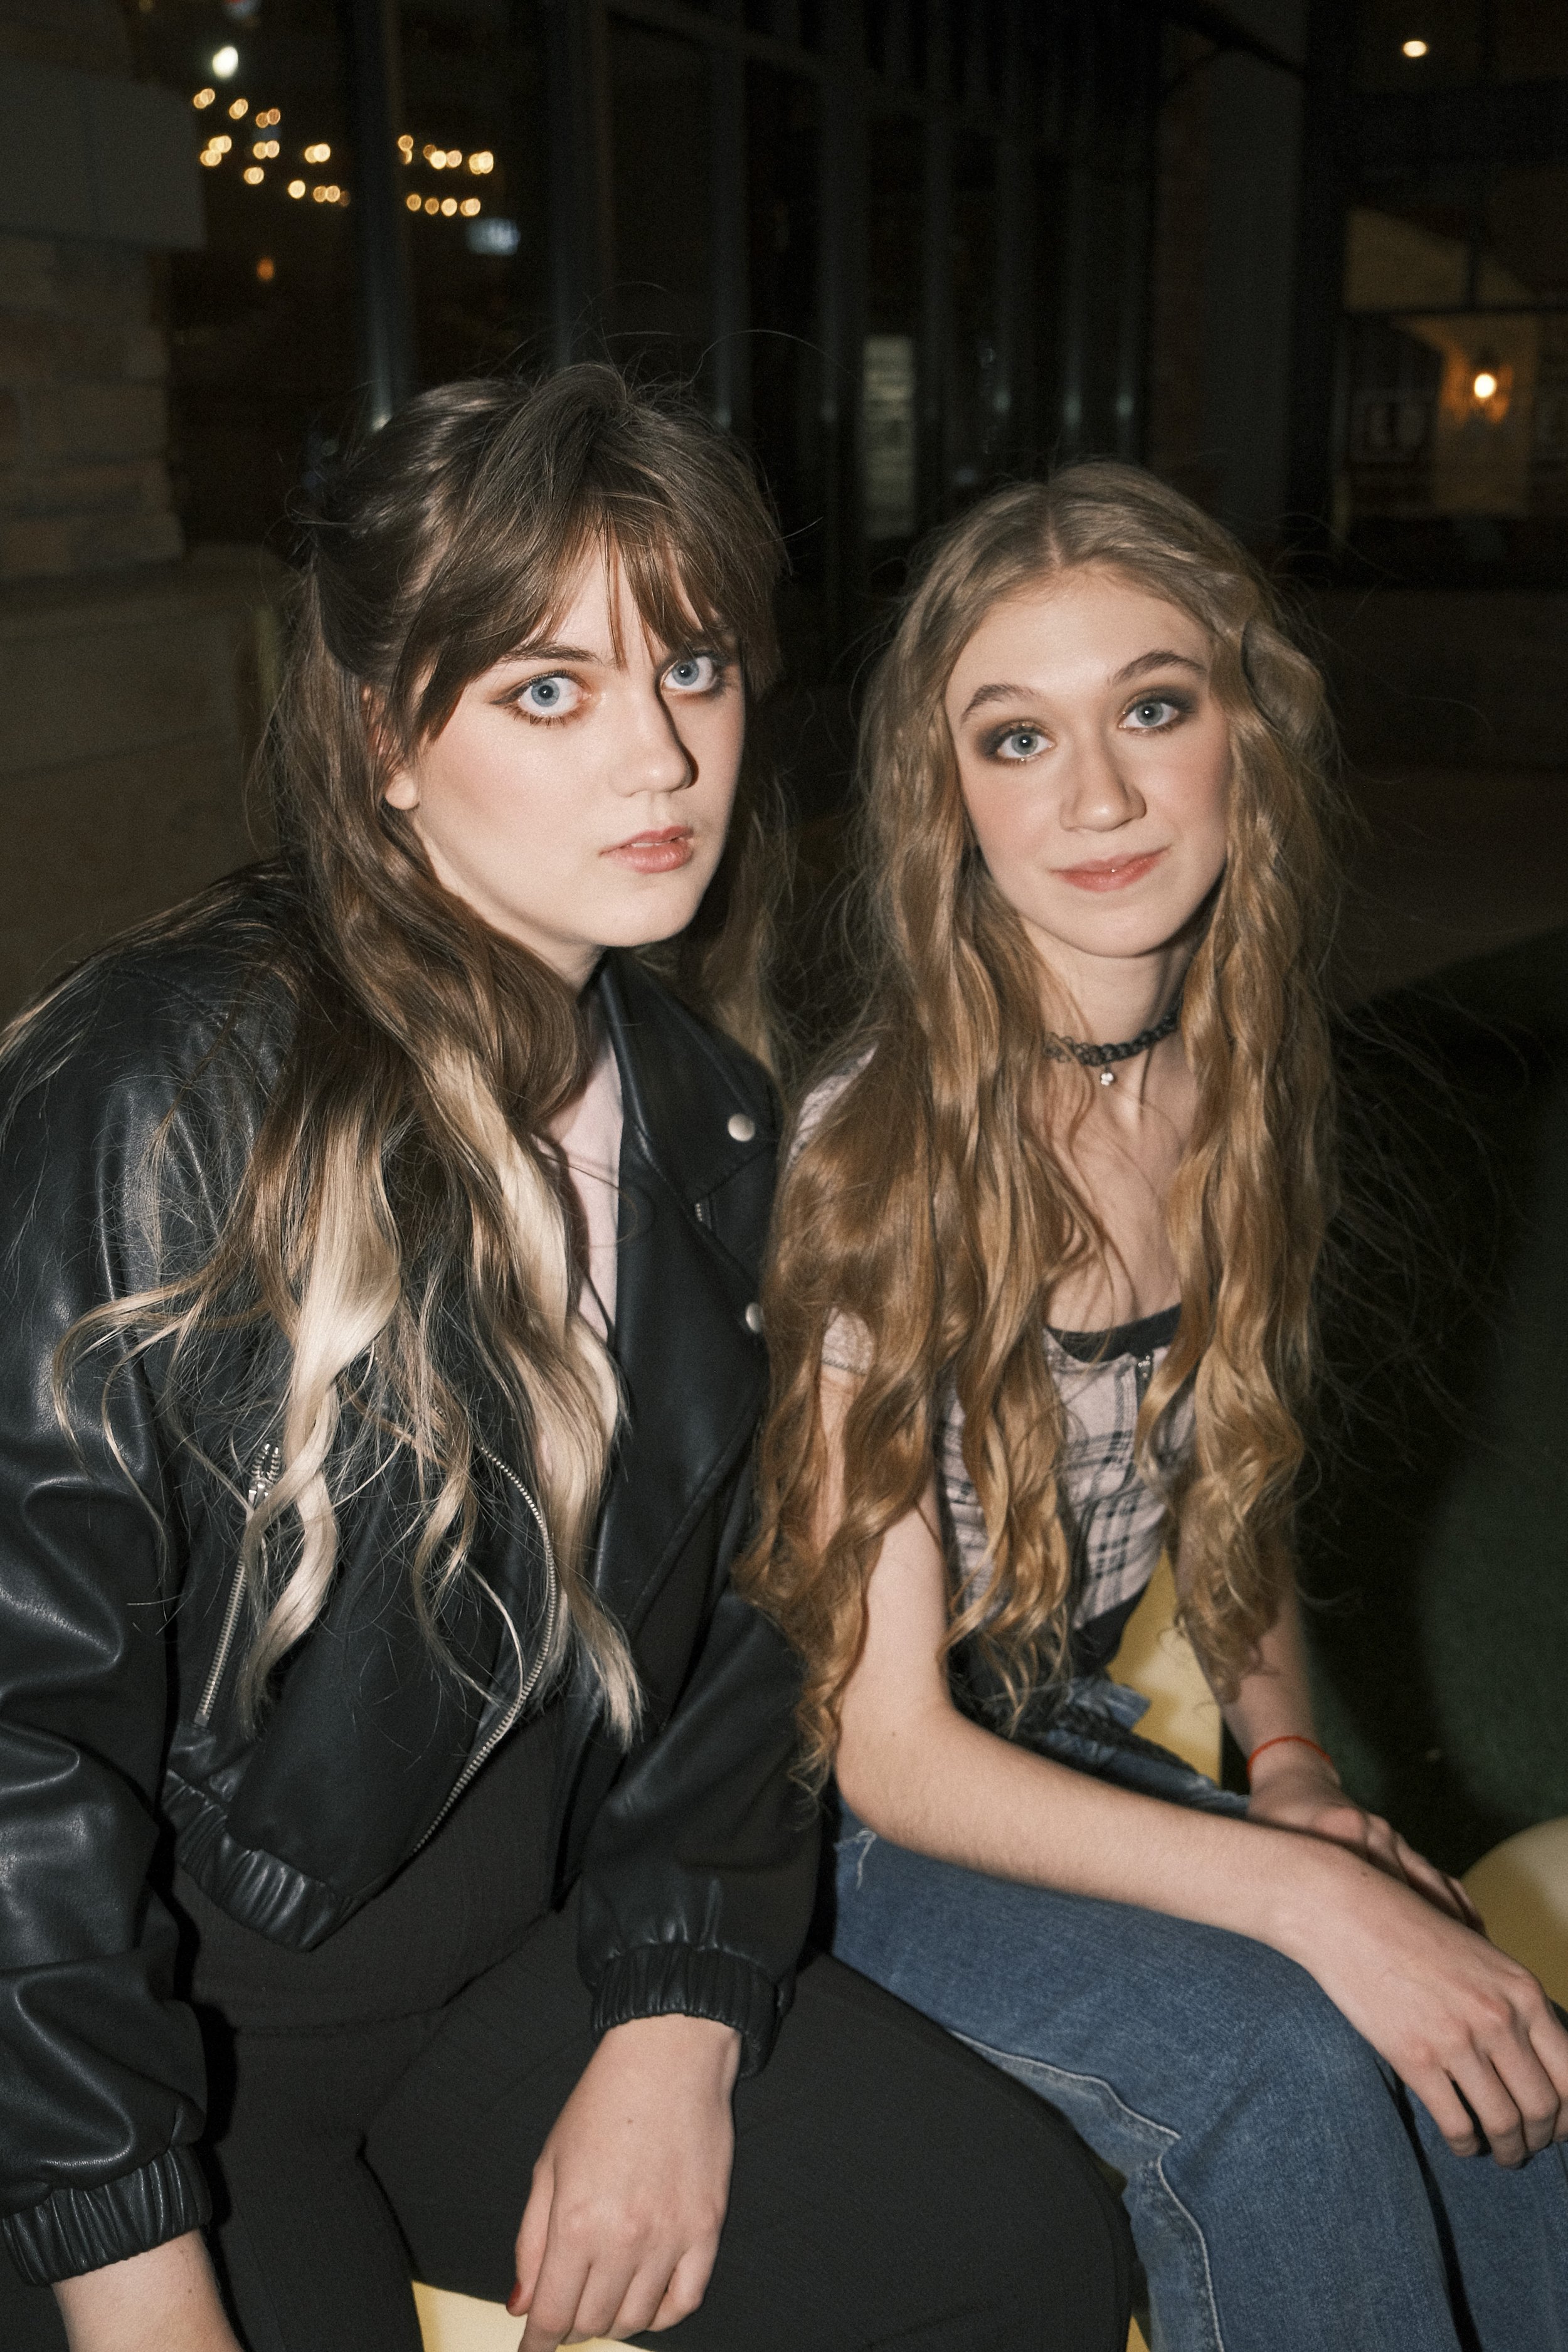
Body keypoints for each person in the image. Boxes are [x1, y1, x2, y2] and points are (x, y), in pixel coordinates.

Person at [0, 371, 1131, 2352]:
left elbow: (754, 1634)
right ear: (383, 738)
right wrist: (125, 2264)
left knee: (1005, 2244)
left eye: (690, 668)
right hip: (145, 2023)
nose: (661, 759)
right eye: (548, 689)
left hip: (500, 1971)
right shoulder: (167, 1088)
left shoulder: (707, 1117)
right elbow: (19, 1737)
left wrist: (679, 2015)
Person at [742, 464, 1568, 2352]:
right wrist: (1295, 1902)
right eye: (1015, 736)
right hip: (807, 1820)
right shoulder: (877, 1166)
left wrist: (1287, 1768)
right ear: (942, 799)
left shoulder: (1227, 1082)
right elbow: (882, 1753)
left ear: (1244, 736)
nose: (1097, 795)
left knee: (1475, 2055)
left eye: (1153, 705)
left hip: (1056, 1727)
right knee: (1285, 2056)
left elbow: (1231, 1487)